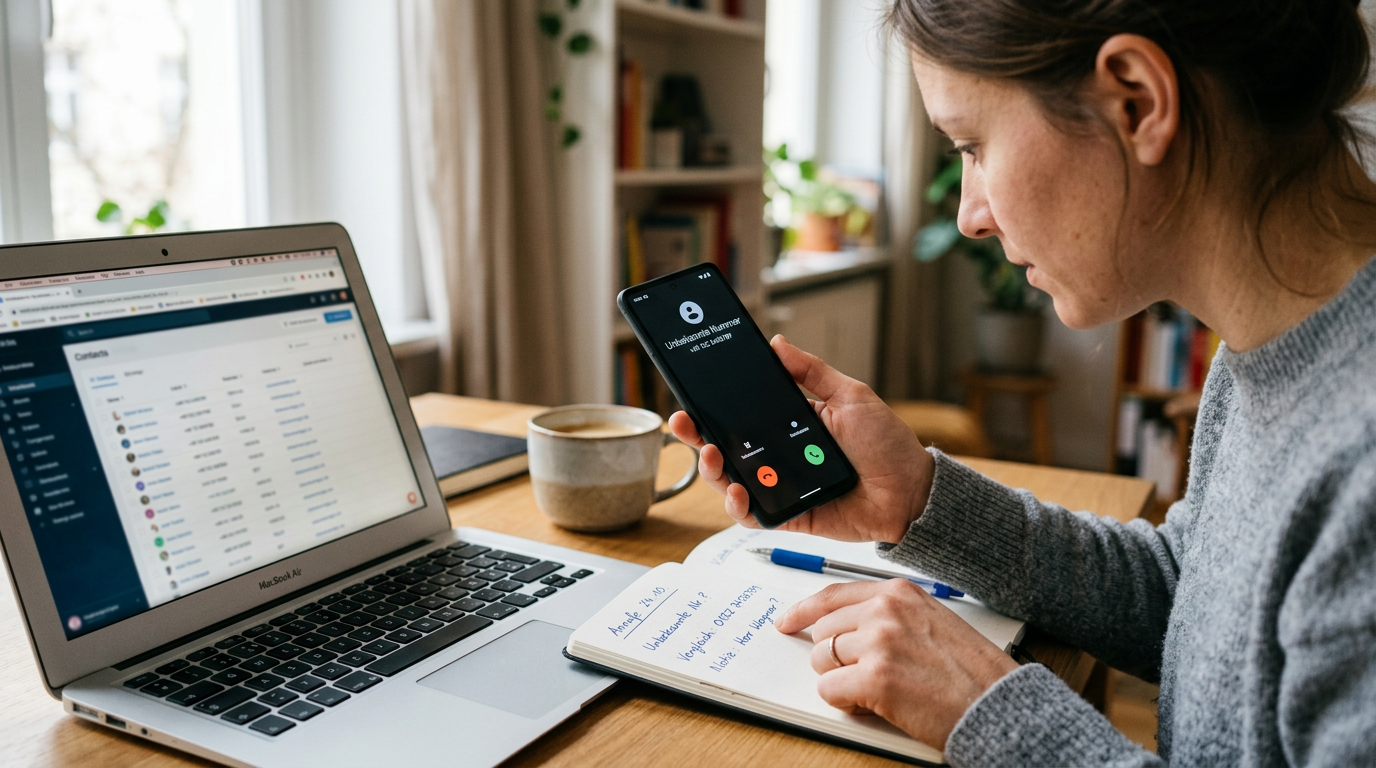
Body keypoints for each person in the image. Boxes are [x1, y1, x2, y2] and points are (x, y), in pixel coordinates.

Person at [668, 1, 1376, 764]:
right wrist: (918, 499)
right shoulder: (1271, 349)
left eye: (972, 145)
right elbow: (1190, 598)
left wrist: (994, 713)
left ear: (1137, 102)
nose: (969, 215)